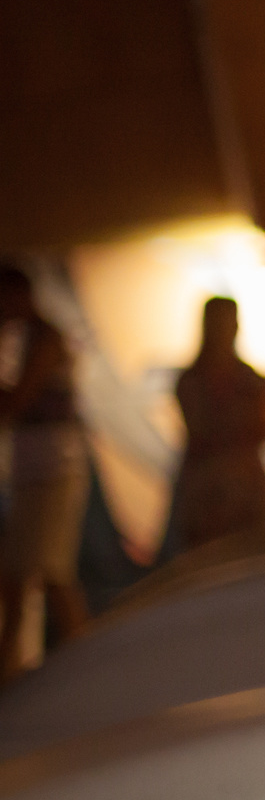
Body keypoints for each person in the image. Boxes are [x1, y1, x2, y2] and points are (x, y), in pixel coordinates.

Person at [0, 267, 90, 673]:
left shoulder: (45, 339)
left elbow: (19, 401)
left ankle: (82, 667)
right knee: (26, 576)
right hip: (35, 470)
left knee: (48, 574)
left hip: (53, 470)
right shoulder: (23, 339)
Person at [164, 297, 265, 558]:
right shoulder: (193, 381)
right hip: (207, 492)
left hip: (245, 491)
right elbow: (204, 429)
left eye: (229, 323)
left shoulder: (248, 381)